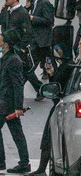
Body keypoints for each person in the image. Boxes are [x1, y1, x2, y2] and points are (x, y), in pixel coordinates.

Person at [0, 30, 31, 173]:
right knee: (17, 132)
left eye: (0, 41)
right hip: (6, 100)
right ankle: (23, 162)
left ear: (7, 45)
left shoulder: (13, 60)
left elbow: (18, 85)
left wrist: (18, 107)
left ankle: (0, 161)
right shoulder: (7, 58)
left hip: (8, 102)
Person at [28, 42, 77, 176]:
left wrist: (52, 75)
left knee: (50, 137)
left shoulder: (68, 66)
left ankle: (42, 168)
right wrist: (51, 73)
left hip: (64, 107)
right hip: (63, 104)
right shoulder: (68, 65)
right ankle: (42, 168)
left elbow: (56, 88)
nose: (78, 45)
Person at [0, 0, 41, 101]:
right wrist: (3, 9)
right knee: (6, 69)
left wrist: (23, 48)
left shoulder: (22, 13)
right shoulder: (9, 11)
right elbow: (2, 22)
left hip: (17, 47)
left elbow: (28, 32)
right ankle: (2, 93)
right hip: (8, 46)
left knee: (26, 70)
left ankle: (40, 89)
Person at [24, 0, 54, 100]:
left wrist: (33, 18)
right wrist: (27, 8)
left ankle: (51, 90)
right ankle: (41, 89)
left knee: (49, 69)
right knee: (28, 68)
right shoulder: (34, 3)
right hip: (36, 42)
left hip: (42, 43)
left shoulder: (44, 2)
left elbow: (49, 21)